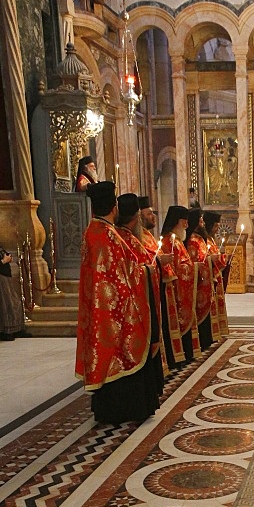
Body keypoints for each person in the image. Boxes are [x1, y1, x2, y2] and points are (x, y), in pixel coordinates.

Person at [75, 181, 161, 424]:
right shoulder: (108, 236)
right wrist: (150, 270)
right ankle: (125, 409)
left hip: (99, 308)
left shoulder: (92, 231)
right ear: (113, 207)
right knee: (120, 355)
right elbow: (125, 275)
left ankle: (108, 408)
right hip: (115, 311)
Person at [115, 192, 164, 394]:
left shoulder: (121, 237)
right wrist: (150, 269)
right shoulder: (127, 240)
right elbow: (132, 270)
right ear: (136, 217)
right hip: (135, 305)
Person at [139, 195, 185, 374]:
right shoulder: (139, 238)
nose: (153, 217)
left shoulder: (148, 236)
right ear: (140, 215)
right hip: (155, 288)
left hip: (163, 285)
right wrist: (160, 261)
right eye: (150, 214)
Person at [161, 205, 199, 364]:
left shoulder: (176, 241)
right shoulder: (170, 241)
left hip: (181, 289)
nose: (188, 226)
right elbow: (176, 267)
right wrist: (191, 268)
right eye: (185, 222)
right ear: (178, 221)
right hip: (175, 291)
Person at [186, 207, 220, 350]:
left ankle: (208, 338)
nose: (203, 224)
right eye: (200, 221)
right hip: (199, 283)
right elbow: (195, 261)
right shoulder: (193, 240)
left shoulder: (200, 238)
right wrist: (209, 260)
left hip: (206, 282)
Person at [203, 210, 230, 338]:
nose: (216, 230)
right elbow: (207, 260)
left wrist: (224, 258)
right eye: (215, 227)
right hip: (210, 280)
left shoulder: (211, 241)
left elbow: (217, 261)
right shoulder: (205, 242)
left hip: (216, 279)